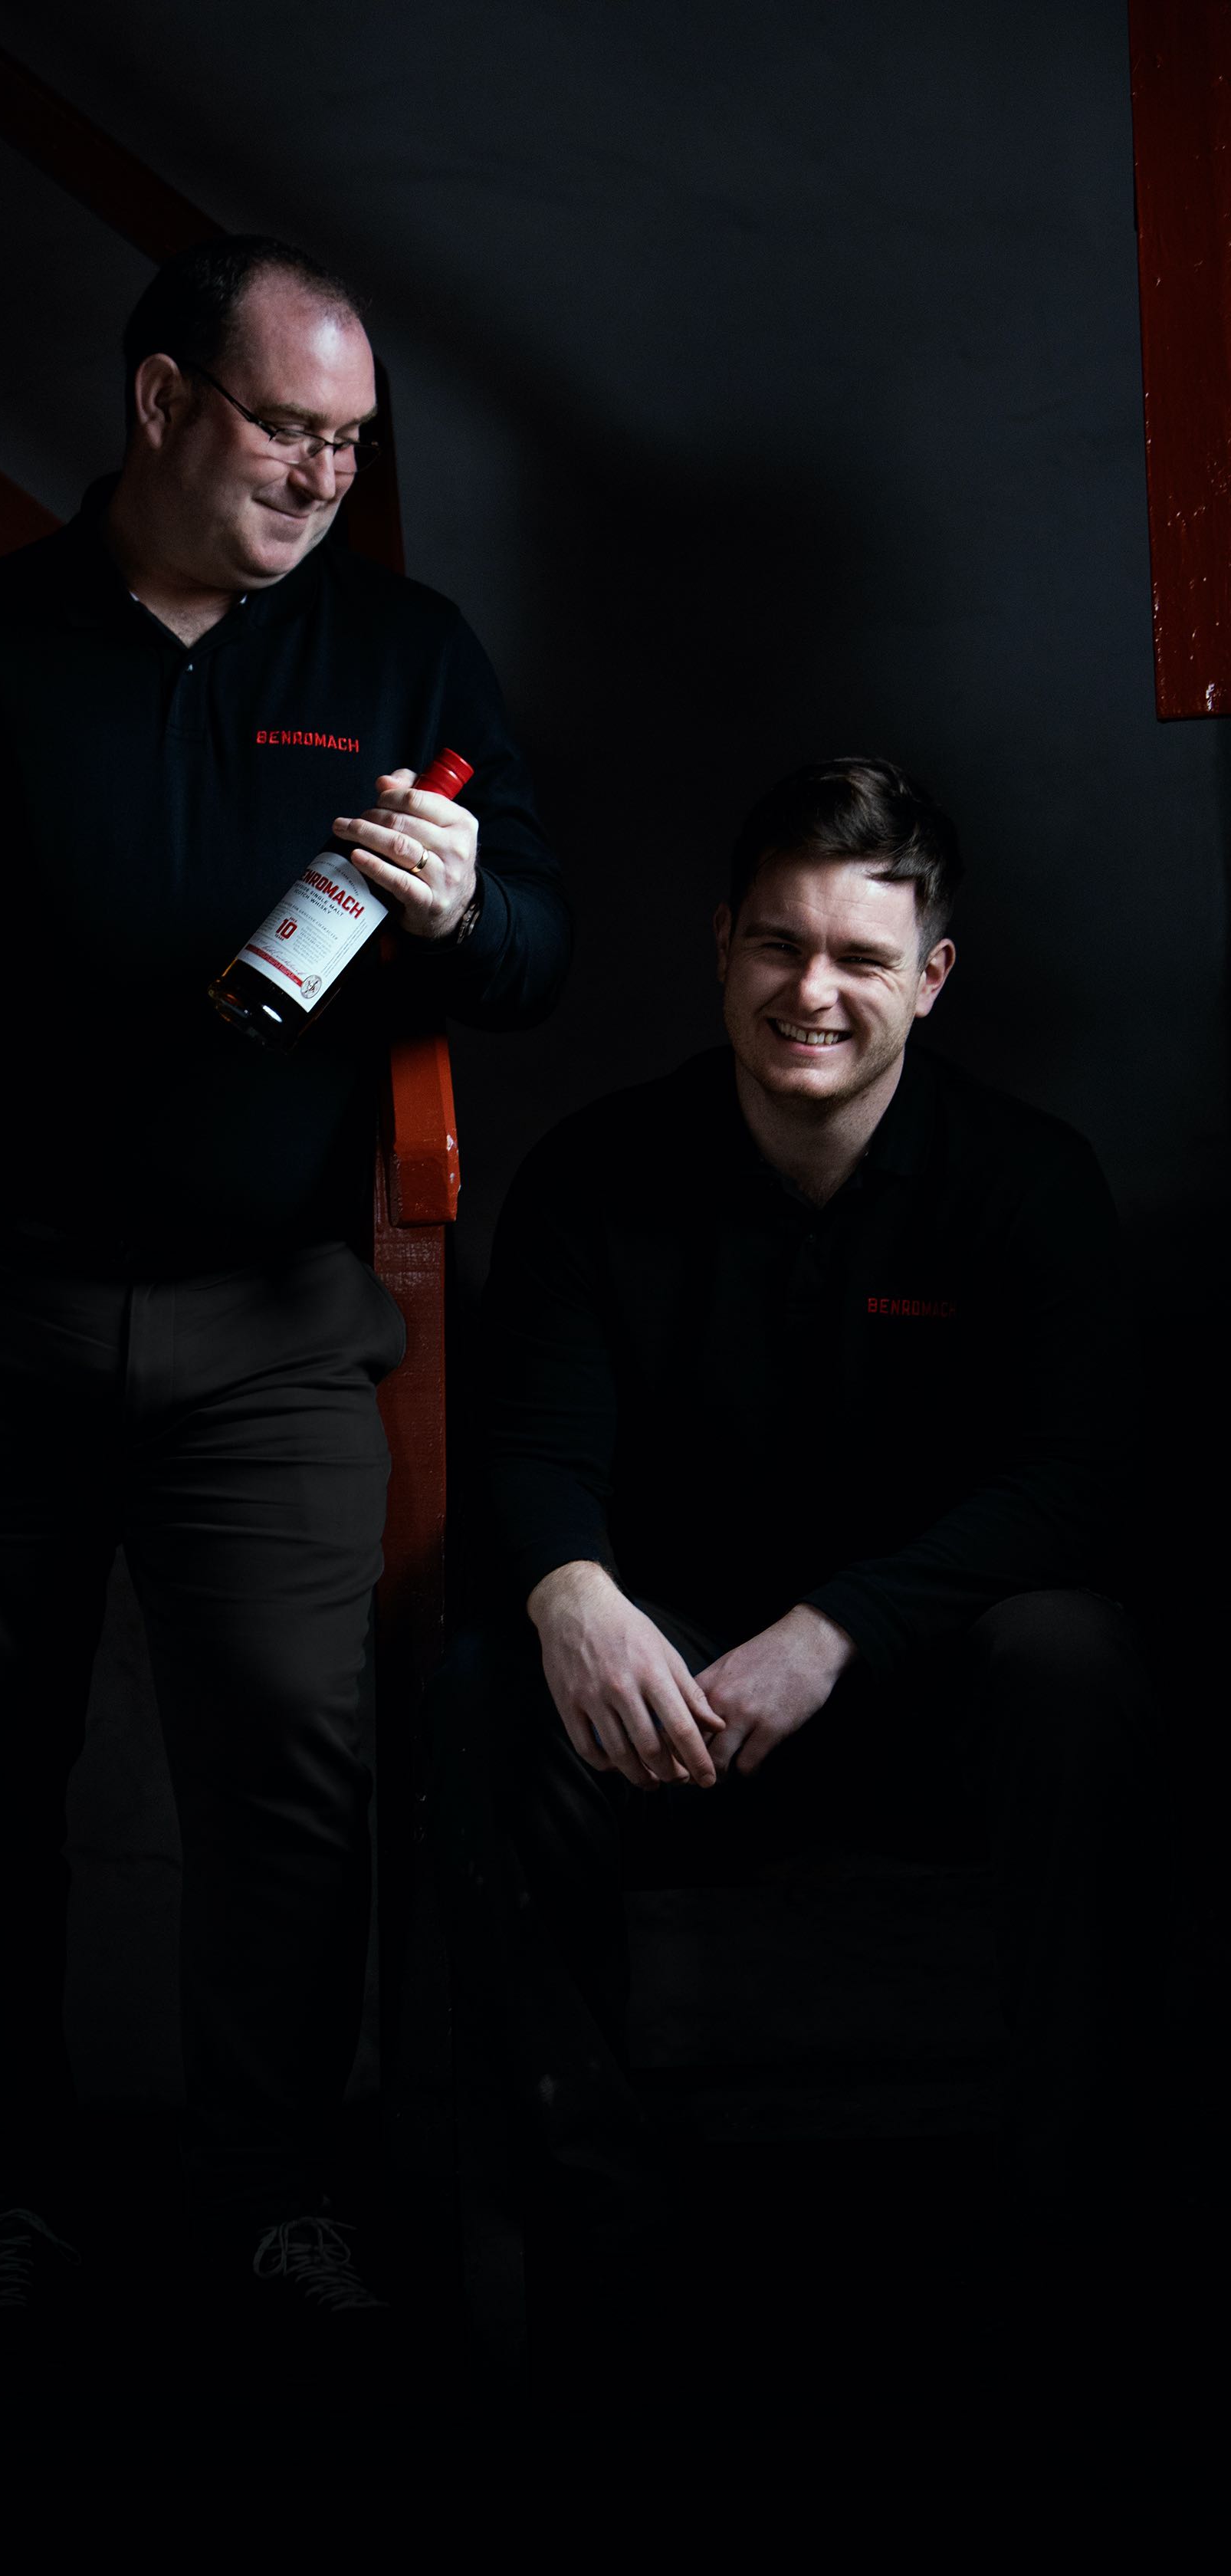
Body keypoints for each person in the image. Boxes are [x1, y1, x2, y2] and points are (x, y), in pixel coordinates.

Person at [0, 235, 570, 2338]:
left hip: (274, 1329)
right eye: (287, 427)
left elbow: (539, 958)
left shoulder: (404, 652)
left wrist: (467, 916)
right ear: (158, 402)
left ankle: (273, 2196)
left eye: (351, 443)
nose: (321, 476)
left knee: (295, 1775)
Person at [432, 754, 1147, 2299]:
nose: (810, 992)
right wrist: (572, 1595)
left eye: (859, 959)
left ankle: (1068, 2210)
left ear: (931, 979)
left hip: (927, 1699)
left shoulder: (1028, 1182)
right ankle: (590, 2218)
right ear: (722, 945)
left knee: (1074, 1657)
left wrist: (836, 1632)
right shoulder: (596, 1176)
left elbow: (1078, 1480)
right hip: (680, 1712)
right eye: (778, 943)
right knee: (491, 1679)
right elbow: (530, 1445)